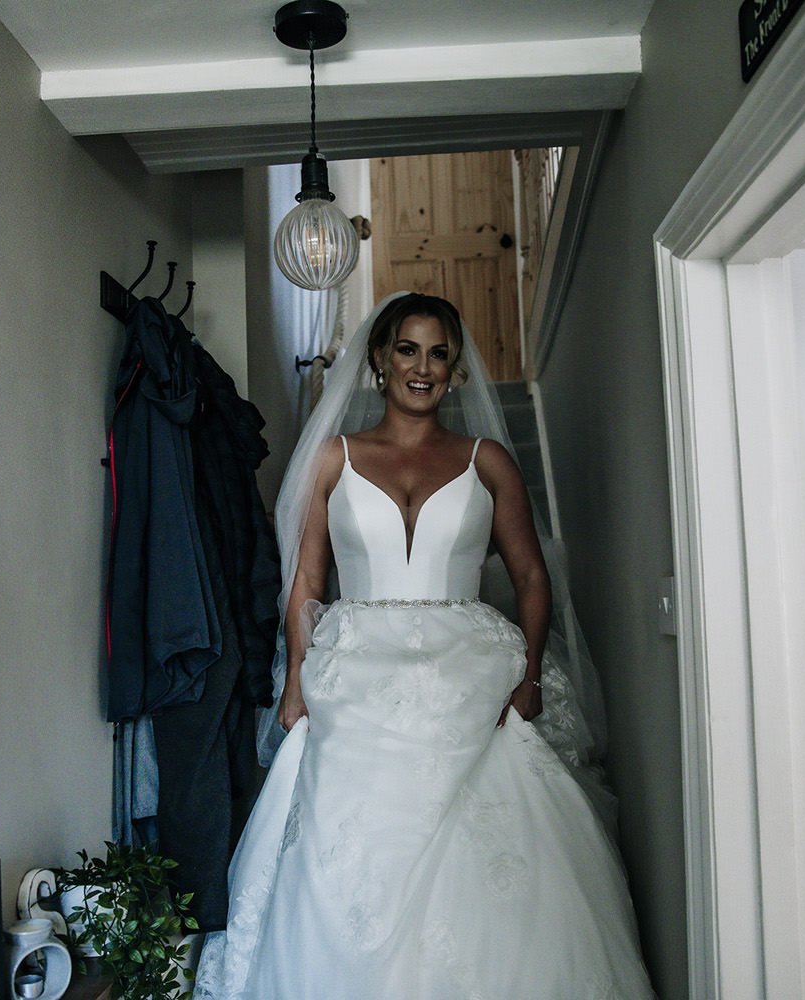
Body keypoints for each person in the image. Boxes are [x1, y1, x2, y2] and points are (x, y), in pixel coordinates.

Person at [194, 293, 656, 999]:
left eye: (440, 353)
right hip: (355, 674)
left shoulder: (488, 460)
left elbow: (531, 576)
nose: (424, 367)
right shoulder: (332, 459)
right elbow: (307, 581)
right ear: (379, 360)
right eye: (408, 349)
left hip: (467, 672)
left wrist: (529, 676)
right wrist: (294, 682)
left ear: (455, 369)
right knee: (345, 847)